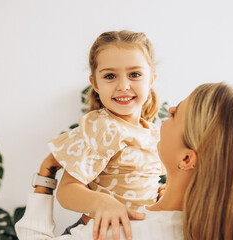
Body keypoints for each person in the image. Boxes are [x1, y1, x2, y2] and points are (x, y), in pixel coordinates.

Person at [16, 82, 233, 240]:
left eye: (176, 114)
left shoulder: (120, 231)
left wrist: (46, 174)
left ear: (187, 158)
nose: (168, 110)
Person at [28, 30, 165, 239]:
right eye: (110, 76)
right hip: (92, 233)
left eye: (135, 74)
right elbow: (67, 191)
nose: (123, 86)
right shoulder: (103, 128)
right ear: (95, 84)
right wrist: (103, 202)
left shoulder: (154, 133)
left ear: (151, 79)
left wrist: (162, 193)